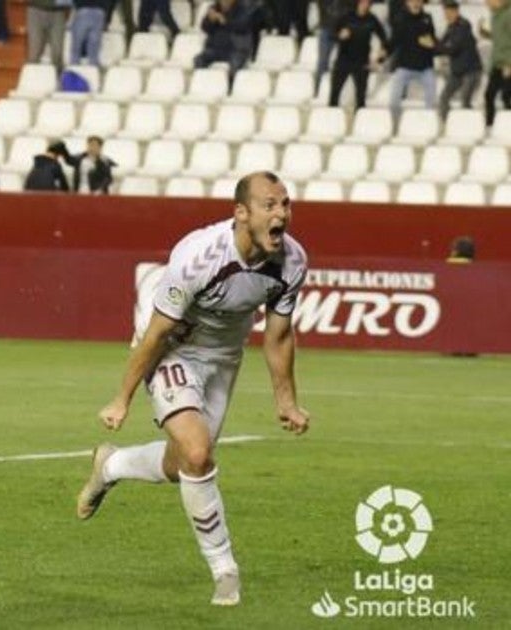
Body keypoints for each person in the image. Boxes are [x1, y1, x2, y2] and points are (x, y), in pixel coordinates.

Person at [77, 170, 310, 606]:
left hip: (224, 356)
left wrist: (287, 400)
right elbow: (157, 333)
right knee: (199, 453)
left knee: (181, 464)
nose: (282, 214)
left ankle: (110, 466)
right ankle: (224, 570)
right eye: (270, 205)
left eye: (286, 204)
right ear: (241, 213)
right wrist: (122, 397)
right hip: (175, 346)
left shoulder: (292, 262)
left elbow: (278, 335)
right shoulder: (199, 257)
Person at [329, 0, 388, 109]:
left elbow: (384, 38)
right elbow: (332, 34)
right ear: (357, 3)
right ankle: (331, 120)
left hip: (362, 62)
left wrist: (381, 57)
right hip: (343, 60)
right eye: (362, 2)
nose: (365, 5)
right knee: (334, 94)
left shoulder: (372, 19)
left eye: (367, 3)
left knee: (361, 98)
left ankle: (360, 122)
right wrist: (339, 36)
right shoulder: (346, 17)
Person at [388, 0, 437, 121]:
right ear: (407, 3)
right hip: (405, 66)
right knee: (394, 100)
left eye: (418, 1)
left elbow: (433, 40)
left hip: (425, 67)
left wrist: (432, 44)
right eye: (412, 1)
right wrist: (382, 55)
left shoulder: (427, 18)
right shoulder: (400, 19)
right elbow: (394, 41)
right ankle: (395, 123)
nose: (416, 3)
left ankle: (427, 123)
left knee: (432, 100)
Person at [435, 1, 482, 119]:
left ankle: (467, 125)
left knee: (465, 99)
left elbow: (453, 48)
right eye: (445, 13)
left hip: (471, 71)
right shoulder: (450, 27)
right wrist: (432, 46)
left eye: (449, 13)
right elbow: (441, 45)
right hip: (457, 71)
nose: (446, 16)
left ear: (456, 12)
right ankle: (445, 122)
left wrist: (433, 46)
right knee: (444, 98)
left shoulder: (464, 26)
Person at [195, 0, 255, 82]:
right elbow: (205, 28)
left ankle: (230, 87)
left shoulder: (244, 8)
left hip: (236, 49)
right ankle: (203, 83)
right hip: (216, 48)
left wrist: (223, 20)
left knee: (236, 63)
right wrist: (210, 20)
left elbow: (242, 26)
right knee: (199, 60)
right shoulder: (214, 8)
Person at [483, 0, 511, 126]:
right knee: (489, 95)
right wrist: (486, 34)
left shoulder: (510, 14)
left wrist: (510, 64)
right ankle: (490, 126)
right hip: (496, 64)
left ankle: (508, 126)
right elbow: (501, 37)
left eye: (488, 1)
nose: (486, 3)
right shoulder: (495, 15)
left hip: (508, 64)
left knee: (506, 97)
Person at [26, 0, 69, 70]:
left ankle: (58, 79)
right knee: (34, 54)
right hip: (36, 9)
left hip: (58, 11)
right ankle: (32, 79)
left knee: (57, 54)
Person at [70, 0, 113, 66]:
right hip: (99, 10)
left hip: (83, 8)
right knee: (94, 45)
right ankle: (93, 69)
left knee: (77, 45)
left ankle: (74, 68)